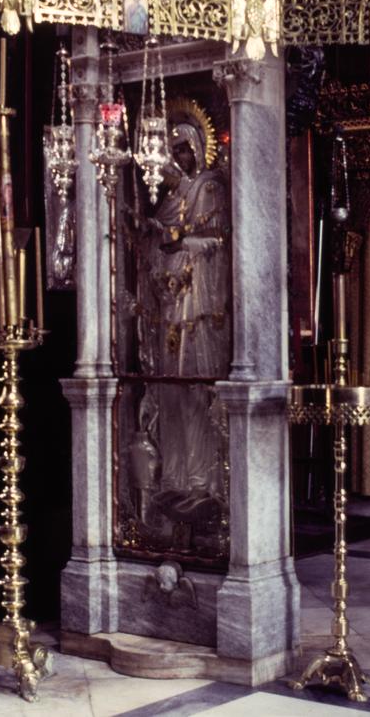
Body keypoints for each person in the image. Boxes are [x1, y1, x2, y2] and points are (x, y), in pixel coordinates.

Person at [133, 123, 230, 544]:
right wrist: (151, 232)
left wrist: (181, 243)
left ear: (198, 149)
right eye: (175, 151)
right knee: (172, 394)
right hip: (170, 304)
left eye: (185, 149)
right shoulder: (173, 196)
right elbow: (158, 240)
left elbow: (217, 241)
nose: (180, 157)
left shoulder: (209, 187)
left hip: (199, 303)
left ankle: (202, 482)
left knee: (196, 394)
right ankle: (175, 478)